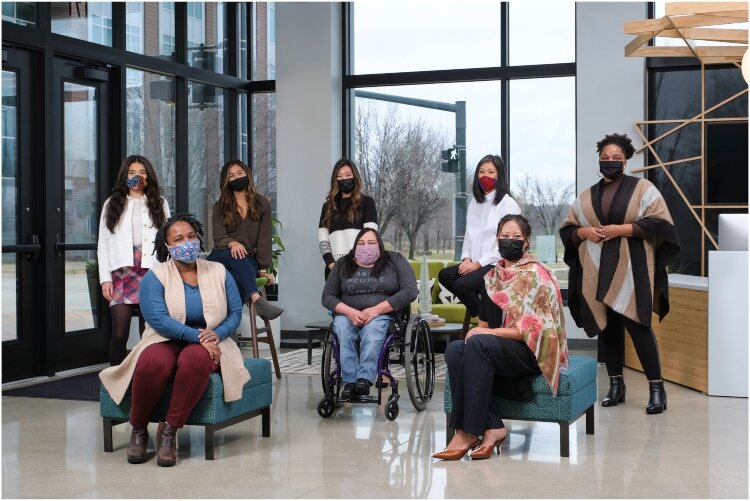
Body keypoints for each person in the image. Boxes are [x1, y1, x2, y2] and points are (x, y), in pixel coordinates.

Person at [99, 214, 247, 467]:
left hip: (212, 339)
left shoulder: (219, 272)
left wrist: (217, 334)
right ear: (167, 246)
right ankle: (139, 429)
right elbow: (158, 320)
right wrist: (197, 336)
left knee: (196, 359)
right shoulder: (155, 276)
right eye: (178, 239)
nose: (187, 243)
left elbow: (235, 312)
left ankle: (169, 430)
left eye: (191, 236)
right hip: (165, 337)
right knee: (152, 361)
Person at [560, 133, 680, 414]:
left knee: (639, 326)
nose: (610, 161)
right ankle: (616, 386)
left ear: (625, 160)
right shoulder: (587, 196)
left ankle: (657, 389)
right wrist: (584, 232)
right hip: (597, 270)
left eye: (616, 157)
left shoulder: (643, 189)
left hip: (632, 269)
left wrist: (621, 230)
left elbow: (661, 224)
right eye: (605, 158)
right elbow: (568, 230)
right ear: (599, 160)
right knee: (607, 328)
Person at [433, 214, 568, 461]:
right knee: (455, 350)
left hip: (529, 351)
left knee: (479, 341)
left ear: (526, 241)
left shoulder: (536, 276)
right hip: (498, 350)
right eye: (504, 236)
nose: (509, 241)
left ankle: (466, 433)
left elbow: (535, 332)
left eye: (516, 236)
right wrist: (480, 332)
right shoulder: (493, 277)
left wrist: (487, 333)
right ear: (496, 239)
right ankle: (494, 426)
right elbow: (484, 325)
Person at [321, 228, 418, 400]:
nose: (366, 246)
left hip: (382, 315)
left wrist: (376, 310)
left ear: (379, 244)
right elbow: (327, 296)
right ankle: (349, 382)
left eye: (371, 243)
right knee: (341, 326)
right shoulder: (343, 264)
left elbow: (410, 290)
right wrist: (349, 312)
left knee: (373, 328)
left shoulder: (395, 260)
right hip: (348, 315)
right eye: (361, 243)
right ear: (355, 246)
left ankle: (364, 379)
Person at [97, 155, 171, 366]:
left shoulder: (160, 203)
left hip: (151, 272)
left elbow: (168, 240)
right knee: (119, 334)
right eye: (131, 173)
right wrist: (105, 278)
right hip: (121, 272)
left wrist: (168, 274)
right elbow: (103, 243)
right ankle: (115, 380)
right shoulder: (112, 203)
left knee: (147, 334)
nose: (137, 176)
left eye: (142, 172)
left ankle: (146, 377)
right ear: (125, 176)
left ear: (148, 177)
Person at [438, 154, 521, 320]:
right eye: (481, 172)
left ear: (499, 175)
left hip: (496, 264)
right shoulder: (474, 203)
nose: (485, 176)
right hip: (474, 262)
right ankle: (485, 312)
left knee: (462, 285)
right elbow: (468, 235)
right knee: (445, 275)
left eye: (491, 172)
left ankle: (485, 320)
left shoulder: (508, 204)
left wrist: (477, 264)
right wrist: (466, 259)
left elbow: (507, 245)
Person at [207, 159, 283, 320]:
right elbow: (219, 237)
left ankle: (227, 325)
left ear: (247, 174)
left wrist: (262, 269)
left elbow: (264, 239)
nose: (237, 177)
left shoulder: (262, 203)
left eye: (240, 173)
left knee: (236, 278)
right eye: (231, 176)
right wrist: (233, 243)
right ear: (226, 181)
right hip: (221, 256)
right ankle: (256, 298)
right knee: (235, 253)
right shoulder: (220, 206)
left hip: (247, 259)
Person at [318, 158, 378, 281]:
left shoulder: (367, 202)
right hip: (333, 270)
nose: (344, 179)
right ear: (335, 180)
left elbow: (370, 238)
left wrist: (357, 264)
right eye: (339, 176)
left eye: (348, 175)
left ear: (355, 177)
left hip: (360, 269)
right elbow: (323, 241)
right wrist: (332, 265)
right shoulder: (327, 207)